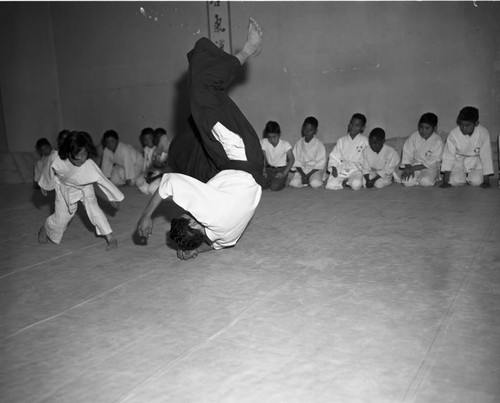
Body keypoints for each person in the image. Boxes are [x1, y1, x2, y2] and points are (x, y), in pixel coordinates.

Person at [137, 18, 264, 260]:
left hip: (229, 170)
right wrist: (147, 215)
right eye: (188, 217)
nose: (188, 212)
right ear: (195, 225)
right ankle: (249, 49)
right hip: (240, 155)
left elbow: (219, 245)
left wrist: (195, 249)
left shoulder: (223, 234)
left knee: (181, 155)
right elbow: (168, 183)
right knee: (202, 92)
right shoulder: (206, 212)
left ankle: (179, 143)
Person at [38, 131, 124, 250]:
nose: (81, 158)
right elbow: (47, 170)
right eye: (77, 155)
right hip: (65, 189)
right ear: (68, 152)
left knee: (95, 211)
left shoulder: (89, 165)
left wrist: (113, 196)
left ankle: (110, 238)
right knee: (62, 218)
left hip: (85, 187)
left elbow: (102, 179)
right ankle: (46, 227)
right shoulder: (55, 158)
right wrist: (45, 184)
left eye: (84, 154)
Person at [440, 106, 493, 188]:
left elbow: (486, 156)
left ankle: (471, 176)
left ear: (476, 123)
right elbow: (448, 156)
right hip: (459, 161)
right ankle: (463, 176)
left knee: (476, 182)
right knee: (454, 181)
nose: (463, 128)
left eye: (467, 125)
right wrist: (445, 181)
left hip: (475, 161)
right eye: (461, 124)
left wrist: (486, 181)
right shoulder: (453, 134)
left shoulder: (483, 133)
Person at [398, 113, 444, 187]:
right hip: (414, 164)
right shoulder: (414, 136)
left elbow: (434, 162)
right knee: (406, 182)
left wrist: (413, 169)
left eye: (427, 128)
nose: (423, 131)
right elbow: (407, 153)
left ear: (434, 128)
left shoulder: (438, 141)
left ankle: (434, 178)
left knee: (425, 182)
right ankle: (417, 179)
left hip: (429, 168)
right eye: (421, 127)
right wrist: (409, 167)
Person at [325, 113, 368, 190]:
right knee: (330, 185)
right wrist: (334, 167)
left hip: (356, 169)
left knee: (356, 185)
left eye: (357, 125)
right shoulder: (341, 140)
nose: (353, 127)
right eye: (352, 124)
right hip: (342, 168)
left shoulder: (365, 141)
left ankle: (348, 181)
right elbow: (334, 156)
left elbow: (368, 159)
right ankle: (344, 181)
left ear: (362, 128)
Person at [289, 116, 326, 188]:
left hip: (314, 171)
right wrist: (303, 174)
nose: (307, 132)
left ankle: (317, 178)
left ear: (315, 131)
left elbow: (320, 164)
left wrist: (308, 175)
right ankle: (305, 180)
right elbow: (295, 161)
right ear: (302, 129)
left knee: (315, 184)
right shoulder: (298, 143)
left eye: (310, 130)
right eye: (305, 129)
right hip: (302, 170)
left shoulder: (319, 144)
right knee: (294, 183)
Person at [261, 120, 294, 191]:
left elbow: (291, 159)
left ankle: (280, 181)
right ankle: (271, 181)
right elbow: (263, 158)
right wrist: (263, 171)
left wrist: (284, 173)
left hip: (281, 169)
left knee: (274, 187)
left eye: (274, 137)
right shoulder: (264, 142)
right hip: (269, 169)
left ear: (279, 134)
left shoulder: (285, 144)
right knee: (259, 184)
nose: (272, 140)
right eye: (269, 137)